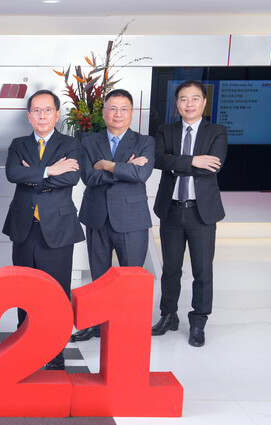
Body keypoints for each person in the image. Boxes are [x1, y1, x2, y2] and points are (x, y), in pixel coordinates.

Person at [2, 89, 84, 370]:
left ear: (57, 114)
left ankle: (55, 352)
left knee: (56, 293)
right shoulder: (18, 144)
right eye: (36, 111)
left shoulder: (70, 144)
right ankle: (25, 346)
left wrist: (33, 174)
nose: (42, 115)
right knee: (24, 291)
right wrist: (50, 171)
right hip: (24, 227)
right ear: (29, 116)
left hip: (58, 228)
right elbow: (13, 173)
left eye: (48, 110)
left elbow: (71, 177)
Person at [71, 88, 155, 342]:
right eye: (113, 108)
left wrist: (107, 165)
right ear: (104, 112)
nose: (118, 114)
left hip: (131, 218)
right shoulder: (89, 142)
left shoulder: (145, 142)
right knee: (99, 276)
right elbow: (88, 177)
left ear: (132, 112)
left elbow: (141, 175)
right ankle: (97, 323)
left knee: (132, 276)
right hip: (97, 216)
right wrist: (125, 168)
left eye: (124, 109)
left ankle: (129, 327)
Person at [151, 80, 227, 347]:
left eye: (195, 98)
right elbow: (158, 159)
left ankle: (198, 322)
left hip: (201, 213)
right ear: (177, 104)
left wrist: (177, 163)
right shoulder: (166, 130)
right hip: (171, 210)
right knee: (170, 269)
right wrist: (194, 160)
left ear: (204, 102)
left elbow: (213, 166)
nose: (189, 104)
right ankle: (168, 315)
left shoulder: (217, 132)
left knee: (202, 271)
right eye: (183, 99)